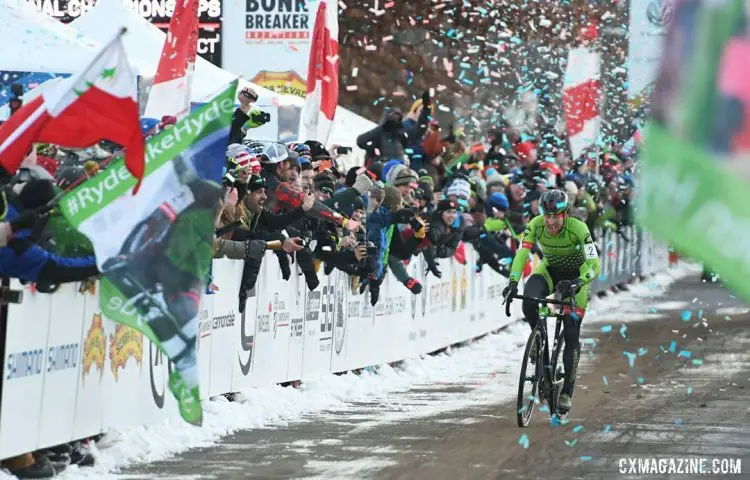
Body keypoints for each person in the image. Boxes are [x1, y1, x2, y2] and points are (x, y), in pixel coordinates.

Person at [503, 189, 600, 414]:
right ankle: (539, 340)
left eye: (555, 217)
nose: (550, 221)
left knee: (571, 332)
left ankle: (566, 390)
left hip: (576, 278)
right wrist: (513, 282)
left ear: (564, 214)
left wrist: (578, 281)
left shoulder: (579, 228)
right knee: (528, 300)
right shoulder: (535, 224)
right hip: (550, 271)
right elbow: (521, 254)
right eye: (547, 216)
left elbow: (594, 265)